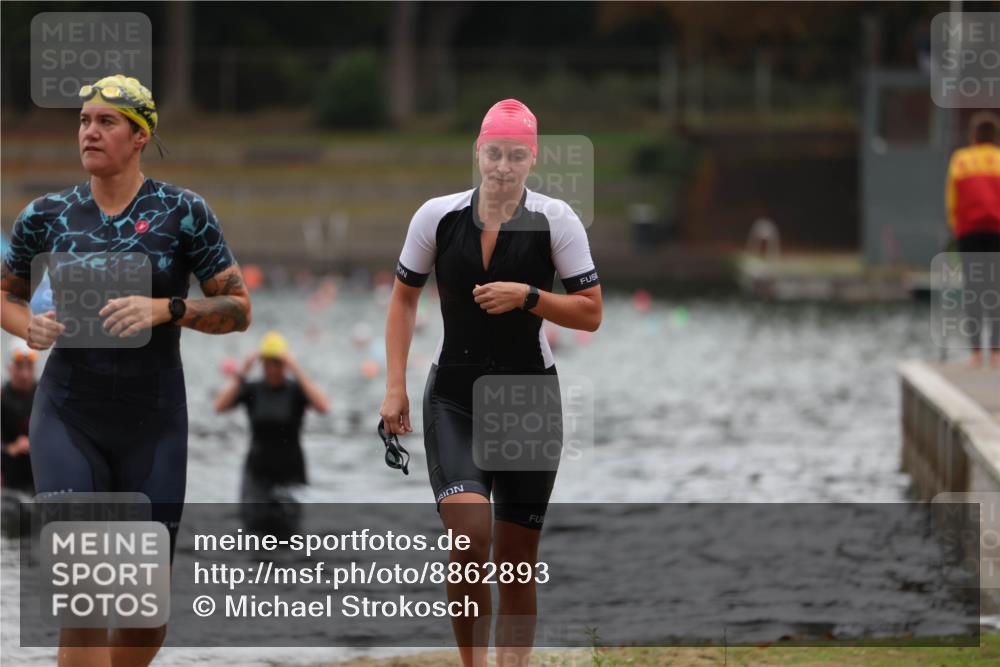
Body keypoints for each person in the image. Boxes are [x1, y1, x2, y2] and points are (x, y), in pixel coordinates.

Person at [0, 74, 251, 667]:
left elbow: (239, 309)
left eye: (106, 122)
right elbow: (5, 295)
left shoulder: (184, 213)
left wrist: (169, 308)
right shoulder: (47, 214)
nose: (90, 131)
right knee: (83, 588)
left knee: (144, 618)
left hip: (154, 420)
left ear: (140, 136)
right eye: (84, 121)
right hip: (68, 412)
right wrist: (25, 327)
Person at [379, 99, 602, 667]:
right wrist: (394, 387)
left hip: (528, 399)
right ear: (478, 152)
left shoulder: (556, 220)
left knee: (517, 561)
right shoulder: (437, 216)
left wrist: (529, 298)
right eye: (494, 153)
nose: (503, 166)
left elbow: (591, 312)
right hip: (454, 395)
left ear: (533, 158)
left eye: (516, 155)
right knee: (469, 540)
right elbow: (403, 300)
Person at [214, 331, 329, 534]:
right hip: (257, 472)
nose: (272, 368)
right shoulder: (253, 389)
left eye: (277, 362)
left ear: (284, 364)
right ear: (263, 363)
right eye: (268, 362)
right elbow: (219, 406)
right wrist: (243, 371)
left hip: (291, 472)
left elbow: (323, 406)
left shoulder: (295, 390)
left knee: (290, 534)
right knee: (253, 531)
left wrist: (297, 368)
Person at [946, 111, 1000, 368]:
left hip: (969, 233)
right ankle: (998, 352)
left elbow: (951, 201)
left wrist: (956, 228)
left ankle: (976, 352)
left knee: (974, 290)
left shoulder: (960, 160)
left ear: (973, 136)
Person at [1, 341, 37, 494]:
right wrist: (11, 448)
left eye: (29, 366)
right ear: (10, 368)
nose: (25, 374)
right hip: (11, 478)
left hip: (39, 475)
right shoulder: (2, 397)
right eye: (19, 366)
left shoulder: (44, 395)